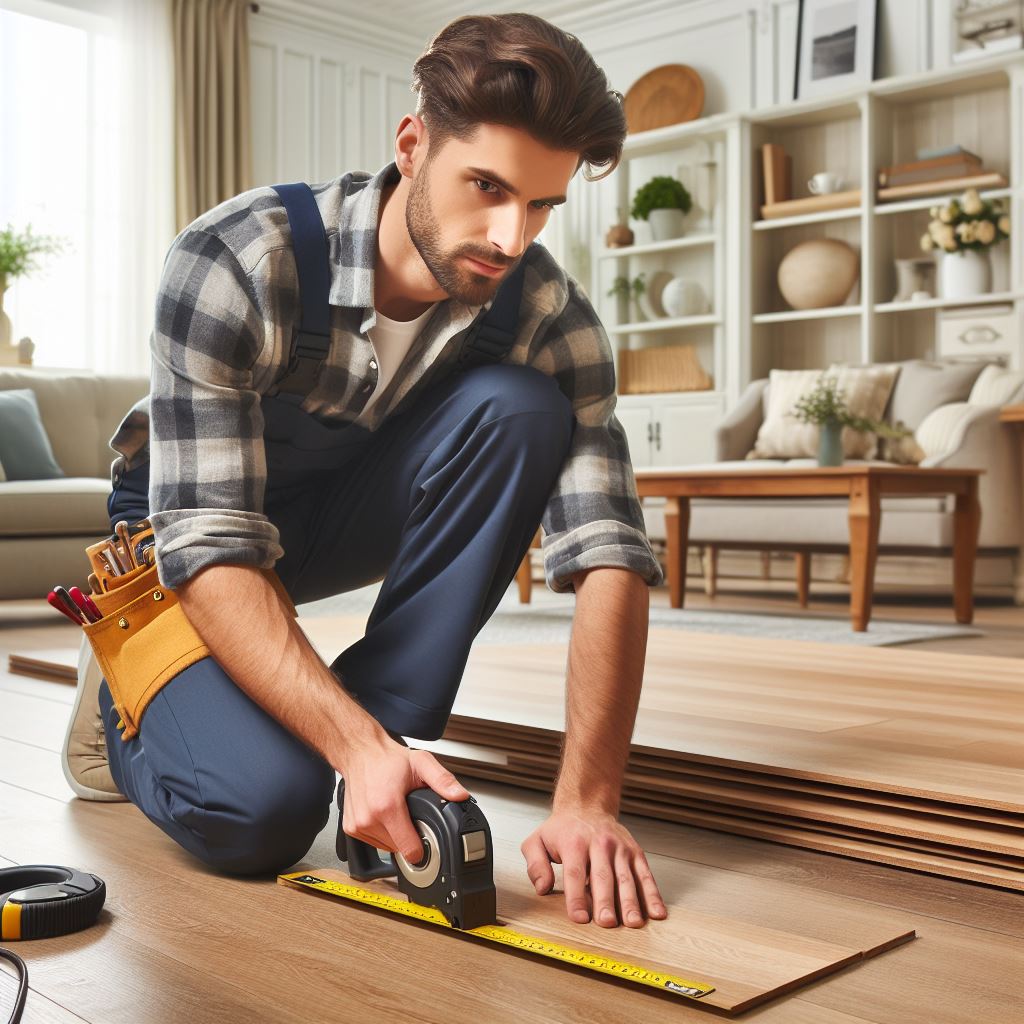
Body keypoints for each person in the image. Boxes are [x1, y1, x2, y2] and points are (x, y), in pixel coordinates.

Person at [63, 12, 668, 930]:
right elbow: (217, 543)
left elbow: (610, 552)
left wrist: (588, 799)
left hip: (324, 519)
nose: (510, 237)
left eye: (542, 204)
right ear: (413, 144)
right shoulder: (238, 257)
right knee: (261, 813)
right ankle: (128, 672)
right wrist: (341, 747)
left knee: (522, 407)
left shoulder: (548, 312)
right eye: (488, 186)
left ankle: (385, 744)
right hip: (188, 542)